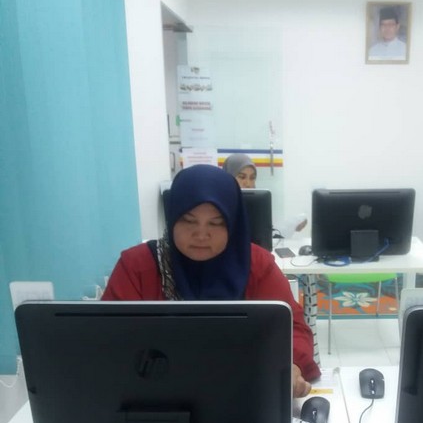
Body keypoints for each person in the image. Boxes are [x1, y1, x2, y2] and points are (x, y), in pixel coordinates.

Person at [102, 165, 320, 397]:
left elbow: (291, 327)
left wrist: (292, 365)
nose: (201, 234)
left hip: (242, 390)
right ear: (172, 218)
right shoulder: (137, 265)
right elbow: (107, 335)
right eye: (188, 221)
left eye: (216, 223)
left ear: (233, 224)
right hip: (155, 393)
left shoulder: (256, 264)